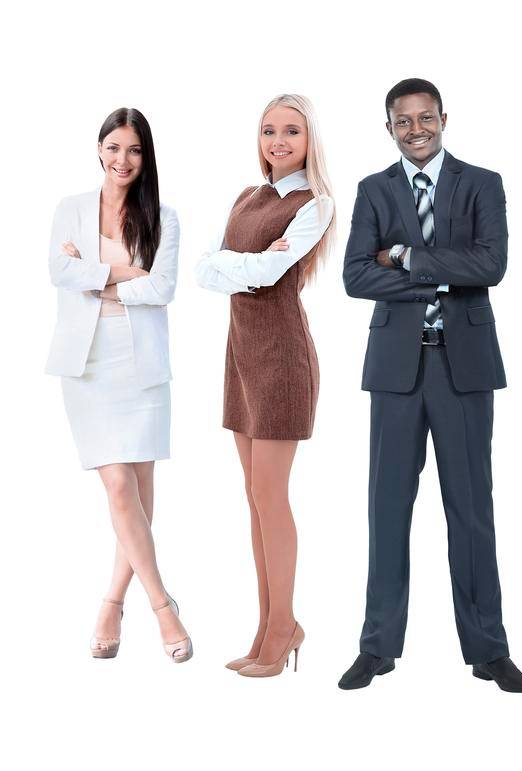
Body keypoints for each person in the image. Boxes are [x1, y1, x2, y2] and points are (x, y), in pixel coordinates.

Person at [338, 78, 522, 693]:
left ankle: (489, 650)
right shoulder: (374, 190)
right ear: (389, 127)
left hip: (464, 367)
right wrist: (442, 277)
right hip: (396, 371)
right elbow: (354, 276)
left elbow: (492, 265)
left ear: (444, 118)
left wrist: (408, 258)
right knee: (387, 510)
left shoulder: (482, 184)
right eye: (403, 121)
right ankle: (377, 647)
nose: (416, 129)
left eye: (426, 118)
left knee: (471, 511)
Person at [193, 94, 335, 678]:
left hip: (281, 361)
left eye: (291, 132)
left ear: (308, 141)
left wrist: (238, 264)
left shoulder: (315, 203)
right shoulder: (246, 197)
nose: (278, 141)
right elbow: (204, 269)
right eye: (269, 131)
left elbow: (270, 273)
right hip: (241, 356)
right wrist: (239, 265)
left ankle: (284, 627)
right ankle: (267, 623)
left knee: (271, 498)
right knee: (253, 500)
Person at [48, 107, 190, 663]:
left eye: (133, 150)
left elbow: (163, 288)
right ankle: (163, 607)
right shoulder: (71, 210)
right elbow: (59, 273)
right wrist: (123, 274)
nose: (122, 159)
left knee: (138, 494)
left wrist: (98, 279)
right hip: (87, 366)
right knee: (117, 486)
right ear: (99, 149)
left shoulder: (164, 217)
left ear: (145, 156)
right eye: (113, 147)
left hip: (142, 365)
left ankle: (111, 601)